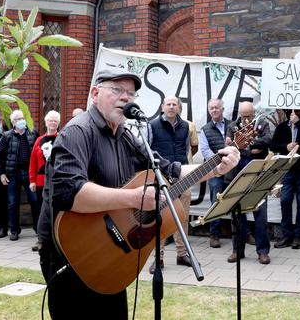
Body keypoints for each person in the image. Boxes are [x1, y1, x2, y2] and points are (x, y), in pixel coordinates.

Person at [37, 68, 240, 318]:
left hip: (112, 252)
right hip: (71, 250)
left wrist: (215, 168)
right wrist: (133, 198)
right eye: (117, 90)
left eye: (131, 93)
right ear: (95, 93)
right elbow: (70, 193)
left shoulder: (126, 136)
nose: (126, 98)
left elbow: (168, 170)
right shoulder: (78, 131)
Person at [147, 95, 192, 273]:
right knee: (162, 218)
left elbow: (186, 149)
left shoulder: (186, 126)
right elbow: (147, 150)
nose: (172, 107)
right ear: (162, 107)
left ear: (179, 108)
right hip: (162, 176)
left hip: (181, 175)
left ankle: (182, 254)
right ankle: (158, 258)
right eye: (169, 104)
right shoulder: (152, 126)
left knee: (183, 217)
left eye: (175, 104)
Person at [225, 101, 272, 265]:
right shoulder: (232, 126)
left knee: (260, 216)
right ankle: (237, 251)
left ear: (254, 113)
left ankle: (263, 252)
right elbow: (233, 147)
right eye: (243, 116)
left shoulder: (263, 124)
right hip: (237, 175)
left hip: (258, 177)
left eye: (249, 116)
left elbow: (268, 140)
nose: (246, 120)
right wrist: (251, 149)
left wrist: (251, 144)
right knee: (237, 216)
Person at [271, 109, 300, 249]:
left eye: (296, 111)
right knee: (285, 201)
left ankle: (299, 236)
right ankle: (287, 235)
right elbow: (273, 146)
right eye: (291, 111)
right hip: (287, 170)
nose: (293, 113)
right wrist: (286, 146)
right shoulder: (282, 127)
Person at [0, 109, 39, 241]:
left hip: (29, 174)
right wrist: (2, 174)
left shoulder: (33, 133)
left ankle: (38, 228)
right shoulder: (7, 136)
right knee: (12, 203)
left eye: (22, 118)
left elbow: (39, 153)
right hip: (12, 174)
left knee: (35, 201)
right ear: (13, 122)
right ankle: (14, 230)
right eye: (18, 119)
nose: (21, 121)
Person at [198, 98, 230, 248]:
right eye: (211, 108)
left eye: (217, 108)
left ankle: (243, 232)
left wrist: (229, 161)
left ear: (222, 109)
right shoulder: (205, 129)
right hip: (215, 170)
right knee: (215, 201)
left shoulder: (233, 125)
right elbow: (205, 150)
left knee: (237, 199)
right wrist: (220, 162)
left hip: (233, 168)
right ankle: (214, 234)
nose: (214, 110)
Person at [29, 110, 61, 252]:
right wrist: (32, 180)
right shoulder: (39, 140)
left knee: (55, 210)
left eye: (55, 121)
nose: (53, 123)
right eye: (50, 120)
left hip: (56, 181)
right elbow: (33, 162)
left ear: (58, 123)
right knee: (40, 210)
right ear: (46, 122)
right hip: (41, 181)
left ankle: (55, 238)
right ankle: (41, 238)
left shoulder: (62, 138)